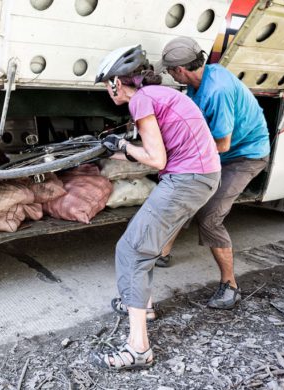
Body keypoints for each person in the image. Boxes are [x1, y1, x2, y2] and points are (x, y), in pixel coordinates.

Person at [90, 45, 221, 370]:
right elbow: (153, 152)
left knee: (131, 250)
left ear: (117, 83)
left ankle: (139, 349)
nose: (109, 90)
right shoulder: (158, 94)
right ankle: (143, 305)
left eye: (107, 84)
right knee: (144, 245)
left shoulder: (141, 100)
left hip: (188, 178)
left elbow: (155, 159)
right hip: (200, 175)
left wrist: (122, 145)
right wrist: (115, 152)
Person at [155, 37, 270, 309]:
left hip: (244, 156)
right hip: (223, 152)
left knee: (209, 216)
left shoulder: (216, 89)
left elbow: (222, 144)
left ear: (180, 70)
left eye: (170, 70)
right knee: (185, 190)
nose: (170, 75)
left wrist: (179, 159)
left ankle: (230, 286)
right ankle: (163, 252)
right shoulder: (200, 81)